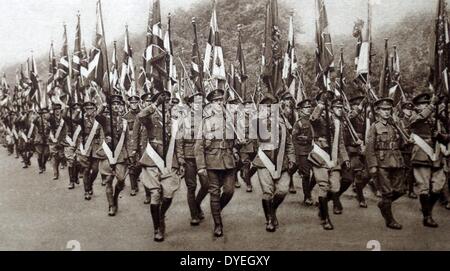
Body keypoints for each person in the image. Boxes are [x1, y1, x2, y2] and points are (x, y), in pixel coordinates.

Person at [135, 89, 183, 242]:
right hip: (152, 158)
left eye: (168, 101)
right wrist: (155, 105)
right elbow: (140, 116)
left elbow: (178, 142)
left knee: (168, 194)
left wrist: (181, 160)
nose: (167, 103)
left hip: (170, 159)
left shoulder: (174, 120)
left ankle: (161, 214)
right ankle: (157, 227)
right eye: (164, 100)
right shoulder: (150, 117)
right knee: (156, 194)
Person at [194, 88, 238, 238]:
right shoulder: (205, 121)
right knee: (214, 193)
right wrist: (200, 166)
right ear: (210, 104)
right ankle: (218, 224)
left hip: (228, 161)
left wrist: (239, 143)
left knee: (229, 191)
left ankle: (216, 209)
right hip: (212, 161)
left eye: (221, 100)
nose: (219, 103)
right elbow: (198, 146)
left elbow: (235, 140)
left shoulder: (229, 119)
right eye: (216, 101)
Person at [253, 92, 296, 232]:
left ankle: (272, 209)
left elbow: (289, 144)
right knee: (267, 192)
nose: (270, 109)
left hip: (281, 162)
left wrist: (292, 158)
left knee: (283, 190)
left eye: (272, 106)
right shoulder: (258, 122)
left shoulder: (283, 123)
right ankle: (270, 220)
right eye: (266, 106)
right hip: (264, 162)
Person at [309, 92, 350, 230]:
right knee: (323, 186)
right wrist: (321, 104)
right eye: (337, 107)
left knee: (336, 187)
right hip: (320, 158)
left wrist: (345, 158)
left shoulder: (340, 123)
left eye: (341, 107)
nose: (340, 110)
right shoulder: (322, 119)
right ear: (331, 108)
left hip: (334, 159)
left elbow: (341, 143)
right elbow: (313, 119)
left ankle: (322, 208)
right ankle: (325, 218)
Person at [409, 93, 447, 228]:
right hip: (421, 154)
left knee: (438, 185)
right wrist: (432, 105)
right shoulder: (414, 117)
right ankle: (427, 217)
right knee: (423, 186)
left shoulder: (436, 118)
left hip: (436, 155)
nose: (426, 106)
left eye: (427, 103)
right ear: (417, 106)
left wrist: (442, 135)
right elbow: (418, 119)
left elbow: (445, 134)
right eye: (423, 104)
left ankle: (426, 209)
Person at [366, 98, 405, 230]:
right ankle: (390, 220)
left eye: (388, 109)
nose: (387, 112)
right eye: (384, 109)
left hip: (396, 161)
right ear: (377, 111)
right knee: (387, 193)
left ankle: (383, 204)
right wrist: (372, 165)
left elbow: (401, 143)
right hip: (382, 162)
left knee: (400, 190)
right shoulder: (374, 127)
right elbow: (369, 147)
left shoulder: (394, 125)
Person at [95, 95, 130, 216]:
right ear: (110, 106)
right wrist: (103, 105)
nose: (116, 106)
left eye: (118, 104)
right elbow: (97, 116)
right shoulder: (105, 119)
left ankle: (115, 197)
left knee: (121, 179)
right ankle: (111, 205)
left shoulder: (124, 121)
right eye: (113, 104)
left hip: (120, 154)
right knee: (109, 180)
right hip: (108, 152)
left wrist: (129, 154)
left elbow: (127, 139)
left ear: (121, 106)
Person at [179, 92, 209, 226]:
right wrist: (180, 158)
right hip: (189, 157)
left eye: (201, 102)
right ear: (190, 104)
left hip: (203, 157)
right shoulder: (183, 119)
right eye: (196, 102)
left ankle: (196, 204)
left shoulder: (207, 118)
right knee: (191, 187)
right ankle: (194, 214)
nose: (199, 105)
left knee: (207, 185)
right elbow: (179, 141)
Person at [339, 96, 369, 209]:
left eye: (358, 105)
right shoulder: (349, 116)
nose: (358, 107)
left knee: (362, 175)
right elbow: (351, 116)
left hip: (362, 149)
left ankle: (360, 196)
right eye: (355, 105)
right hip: (350, 149)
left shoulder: (363, 118)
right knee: (351, 177)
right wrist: (361, 106)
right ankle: (336, 196)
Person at [292, 99, 316, 206]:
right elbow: (294, 140)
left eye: (309, 107)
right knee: (306, 174)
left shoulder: (314, 121)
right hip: (303, 152)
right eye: (306, 108)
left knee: (316, 175)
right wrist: (296, 156)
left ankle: (308, 190)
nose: (308, 109)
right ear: (301, 110)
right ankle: (307, 196)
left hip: (315, 151)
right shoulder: (298, 124)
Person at [123, 95, 142, 197]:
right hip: (131, 143)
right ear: (129, 104)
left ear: (139, 103)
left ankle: (136, 177)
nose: (134, 105)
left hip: (142, 143)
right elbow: (125, 133)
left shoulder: (143, 114)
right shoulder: (126, 116)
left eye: (135, 103)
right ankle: (133, 187)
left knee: (141, 165)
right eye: (132, 103)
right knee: (131, 165)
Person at [48, 103, 66, 180]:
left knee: (62, 155)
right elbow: (49, 130)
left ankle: (63, 163)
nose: (57, 111)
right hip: (53, 140)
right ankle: (56, 173)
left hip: (62, 139)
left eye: (58, 110)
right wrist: (53, 139)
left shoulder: (64, 118)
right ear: (54, 111)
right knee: (54, 157)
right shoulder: (51, 119)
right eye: (55, 110)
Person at [32, 107, 51, 174]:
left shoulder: (50, 120)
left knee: (46, 154)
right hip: (39, 138)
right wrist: (38, 115)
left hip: (47, 138)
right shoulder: (38, 120)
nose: (44, 114)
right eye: (43, 113)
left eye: (45, 112)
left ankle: (44, 164)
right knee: (39, 154)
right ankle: (40, 167)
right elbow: (34, 122)